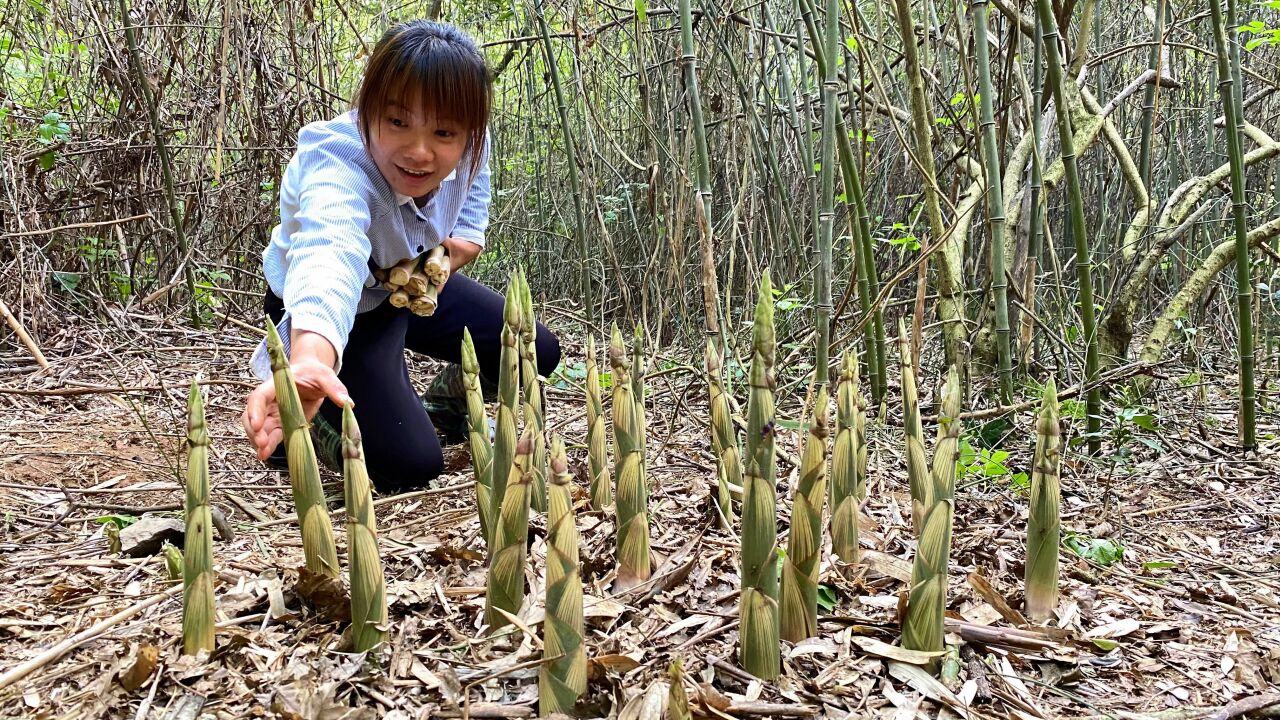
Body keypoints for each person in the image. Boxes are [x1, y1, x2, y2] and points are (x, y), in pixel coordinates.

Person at [242, 20, 560, 493]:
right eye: (397, 122)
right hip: (336, 311)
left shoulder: (472, 143)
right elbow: (330, 252)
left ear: (470, 131)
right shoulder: (337, 160)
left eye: (444, 133)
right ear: (367, 110)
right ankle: (303, 433)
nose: (419, 152)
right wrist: (311, 358)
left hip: (409, 283)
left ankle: (446, 407)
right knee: (411, 465)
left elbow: (469, 223)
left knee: (534, 348)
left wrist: (437, 265)